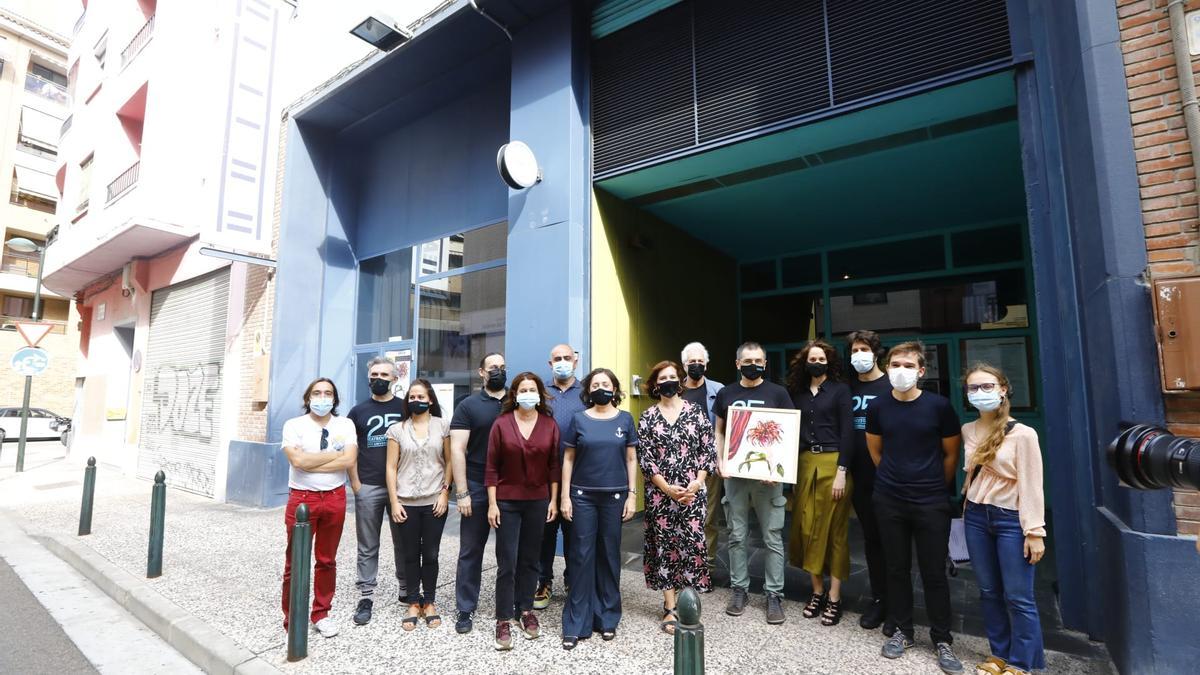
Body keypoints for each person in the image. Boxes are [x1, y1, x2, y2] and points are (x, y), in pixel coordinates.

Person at [866, 341, 964, 674]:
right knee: (896, 567)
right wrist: (896, 479)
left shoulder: (939, 407)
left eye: (908, 365)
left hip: (931, 501)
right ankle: (903, 630)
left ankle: (942, 638)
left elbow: (951, 454)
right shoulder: (878, 407)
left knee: (934, 571)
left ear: (921, 371)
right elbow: (875, 451)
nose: (900, 370)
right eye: (895, 364)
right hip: (889, 498)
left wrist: (933, 484)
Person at [961, 364, 1046, 675]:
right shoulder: (968, 430)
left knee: (1019, 595)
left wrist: (1034, 530)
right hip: (975, 516)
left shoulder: (1024, 434)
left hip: (1011, 519)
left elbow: (1032, 484)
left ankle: (1022, 663)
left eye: (987, 386)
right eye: (973, 388)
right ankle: (999, 655)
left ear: (1003, 389)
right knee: (988, 591)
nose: (980, 393)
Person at [715, 341, 795, 625]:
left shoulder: (778, 393)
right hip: (735, 477)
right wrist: (720, 460)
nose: (754, 365)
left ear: (765, 362)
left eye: (759, 360)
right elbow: (720, 432)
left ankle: (774, 595)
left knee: (772, 537)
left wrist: (779, 469)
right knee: (736, 535)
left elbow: (787, 434)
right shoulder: (726, 393)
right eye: (748, 360)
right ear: (738, 364)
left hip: (768, 479)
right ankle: (740, 589)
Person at [559, 368, 638, 650]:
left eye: (606, 384)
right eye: (595, 384)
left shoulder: (625, 419)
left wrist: (631, 495)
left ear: (615, 389)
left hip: (614, 497)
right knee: (581, 557)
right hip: (582, 497)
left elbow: (631, 459)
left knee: (608, 556)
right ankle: (576, 622)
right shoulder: (578, 419)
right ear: (588, 390)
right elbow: (568, 458)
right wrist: (566, 497)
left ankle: (607, 618)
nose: (601, 388)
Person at [636, 360, 715, 635]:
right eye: (662, 378)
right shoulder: (647, 417)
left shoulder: (696, 413)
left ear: (680, 381)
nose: (668, 381)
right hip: (660, 496)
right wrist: (667, 488)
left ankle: (688, 603)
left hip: (693, 494)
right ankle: (669, 606)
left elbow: (708, 451)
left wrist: (697, 483)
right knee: (666, 548)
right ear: (655, 385)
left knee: (691, 547)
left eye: (672, 376)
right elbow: (645, 460)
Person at [486, 373, 561, 650]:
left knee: (530, 559)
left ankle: (526, 610)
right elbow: (491, 467)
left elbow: (554, 466)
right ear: (514, 394)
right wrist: (492, 503)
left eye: (533, 389)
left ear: (540, 394)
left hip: (538, 501)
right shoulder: (501, 424)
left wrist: (553, 500)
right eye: (523, 389)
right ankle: (503, 617)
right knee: (507, 562)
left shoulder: (550, 425)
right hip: (506, 501)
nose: (528, 393)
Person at [280, 378, 358, 638]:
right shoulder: (294, 425)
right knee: (296, 560)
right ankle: (292, 617)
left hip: (335, 498)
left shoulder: (345, 424)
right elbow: (297, 461)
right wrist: (334, 457)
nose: (322, 397)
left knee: (326, 560)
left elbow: (349, 459)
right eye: (316, 392)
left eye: (327, 393)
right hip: (302, 500)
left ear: (334, 399)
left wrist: (310, 461)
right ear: (307, 397)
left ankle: (321, 613)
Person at [785, 340, 854, 626]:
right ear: (804, 362)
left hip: (833, 462)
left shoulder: (840, 390)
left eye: (821, 358)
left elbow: (848, 432)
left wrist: (842, 471)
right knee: (805, 526)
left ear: (829, 362)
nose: (816, 362)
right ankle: (817, 591)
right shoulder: (796, 394)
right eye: (812, 358)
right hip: (804, 463)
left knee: (834, 531)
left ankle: (835, 597)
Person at [345, 357, 408, 626]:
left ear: (395, 378)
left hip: (401, 488)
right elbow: (350, 451)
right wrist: (356, 484)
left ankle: (406, 589)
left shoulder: (405, 407)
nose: (378, 378)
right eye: (374, 374)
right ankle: (366, 594)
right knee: (368, 543)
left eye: (384, 374)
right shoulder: (357, 412)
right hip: (368, 485)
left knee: (403, 542)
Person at [386, 379, 452, 631]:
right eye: (412, 396)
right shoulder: (397, 429)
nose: (416, 400)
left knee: (432, 553)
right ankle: (414, 601)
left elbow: (449, 462)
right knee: (410, 554)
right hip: (405, 503)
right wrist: (394, 501)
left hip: (435, 500)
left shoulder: (443, 426)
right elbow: (391, 468)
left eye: (421, 396)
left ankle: (431, 601)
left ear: (431, 400)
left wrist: (446, 492)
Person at [451, 353, 508, 634]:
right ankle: (465, 607)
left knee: (509, 552)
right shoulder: (468, 405)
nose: (498, 371)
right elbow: (457, 450)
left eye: (502, 367)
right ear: (481, 372)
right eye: (493, 367)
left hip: (510, 488)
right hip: (475, 484)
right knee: (471, 550)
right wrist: (461, 493)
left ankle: (506, 609)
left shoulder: (516, 402)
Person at [846, 330, 893, 633]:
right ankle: (879, 600)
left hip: (889, 477)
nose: (859, 355)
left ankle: (898, 607)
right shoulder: (846, 387)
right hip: (860, 477)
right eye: (853, 350)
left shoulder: (890, 384)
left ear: (876, 352)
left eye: (863, 349)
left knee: (895, 543)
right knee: (873, 542)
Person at [535, 344, 586, 610]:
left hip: (579, 476)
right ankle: (544, 580)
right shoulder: (540, 393)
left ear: (576, 362)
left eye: (567, 358)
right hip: (543, 476)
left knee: (575, 533)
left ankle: (572, 579)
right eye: (557, 359)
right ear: (550, 363)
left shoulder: (587, 393)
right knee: (545, 532)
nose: (562, 362)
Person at [681, 341, 725, 573]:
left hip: (708, 463)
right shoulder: (675, 390)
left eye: (700, 361)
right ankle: (684, 563)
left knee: (708, 516)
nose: (696, 365)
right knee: (681, 514)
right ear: (684, 365)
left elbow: (727, 426)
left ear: (706, 365)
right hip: (680, 464)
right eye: (691, 362)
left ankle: (704, 566)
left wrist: (721, 457)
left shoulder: (718, 390)